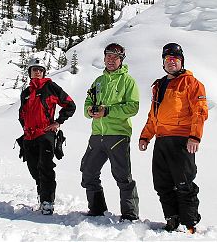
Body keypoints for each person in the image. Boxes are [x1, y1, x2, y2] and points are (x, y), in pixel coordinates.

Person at [139, 43, 208, 234]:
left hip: (182, 140)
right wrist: (145, 136)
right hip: (161, 140)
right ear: (163, 62)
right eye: (167, 59)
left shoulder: (191, 83)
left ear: (181, 62)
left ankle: (190, 223)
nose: (171, 63)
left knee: (184, 183)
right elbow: (154, 115)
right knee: (162, 183)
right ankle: (172, 218)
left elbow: (200, 111)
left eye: (174, 59)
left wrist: (195, 136)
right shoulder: (159, 85)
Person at [81, 43, 140, 222]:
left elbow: (133, 107)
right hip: (97, 135)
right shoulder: (98, 81)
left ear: (121, 60)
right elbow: (86, 105)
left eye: (115, 57)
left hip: (118, 135)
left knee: (122, 176)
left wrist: (108, 111)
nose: (111, 60)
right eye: (108, 56)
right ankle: (97, 209)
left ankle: (130, 214)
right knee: (88, 172)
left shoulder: (128, 81)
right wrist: (90, 110)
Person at [18, 57, 76, 215]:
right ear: (29, 73)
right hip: (29, 138)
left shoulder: (50, 87)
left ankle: (47, 201)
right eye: (34, 70)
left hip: (45, 135)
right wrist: (25, 129)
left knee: (46, 167)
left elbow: (70, 105)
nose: (37, 72)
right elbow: (21, 114)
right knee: (34, 169)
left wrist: (58, 122)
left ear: (43, 73)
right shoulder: (26, 93)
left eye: (40, 70)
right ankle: (42, 196)